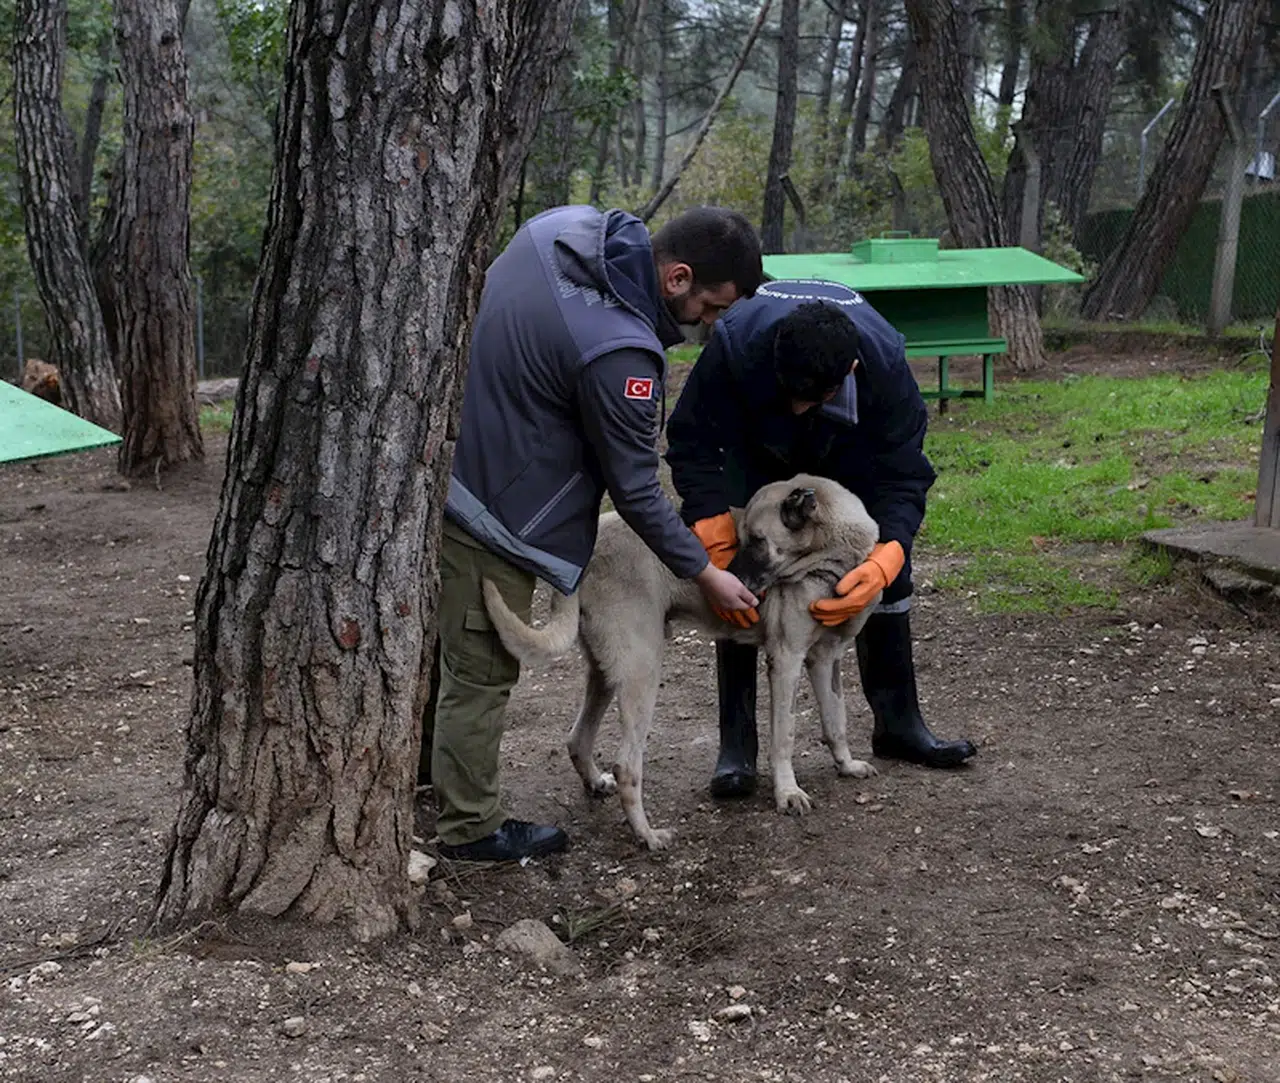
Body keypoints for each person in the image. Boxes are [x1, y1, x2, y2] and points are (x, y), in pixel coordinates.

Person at [422, 204, 765, 862]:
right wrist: (705, 571)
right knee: (481, 670)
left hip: (452, 457)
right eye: (713, 308)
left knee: (447, 652)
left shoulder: (563, 230)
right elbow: (636, 490)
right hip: (495, 506)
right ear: (677, 279)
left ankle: (433, 772)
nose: (712, 326)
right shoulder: (622, 351)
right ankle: (470, 826)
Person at [665, 279, 977, 799]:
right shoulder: (736, 346)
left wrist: (888, 558)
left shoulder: (884, 369)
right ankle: (738, 748)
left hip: (851, 451)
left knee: (883, 568)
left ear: (848, 372)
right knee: (744, 585)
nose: (798, 410)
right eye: (791, 395)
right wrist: (712, 526)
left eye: (812, 398)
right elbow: (690, 442)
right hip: (756, 452)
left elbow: (904, 478)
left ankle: (899, 724)